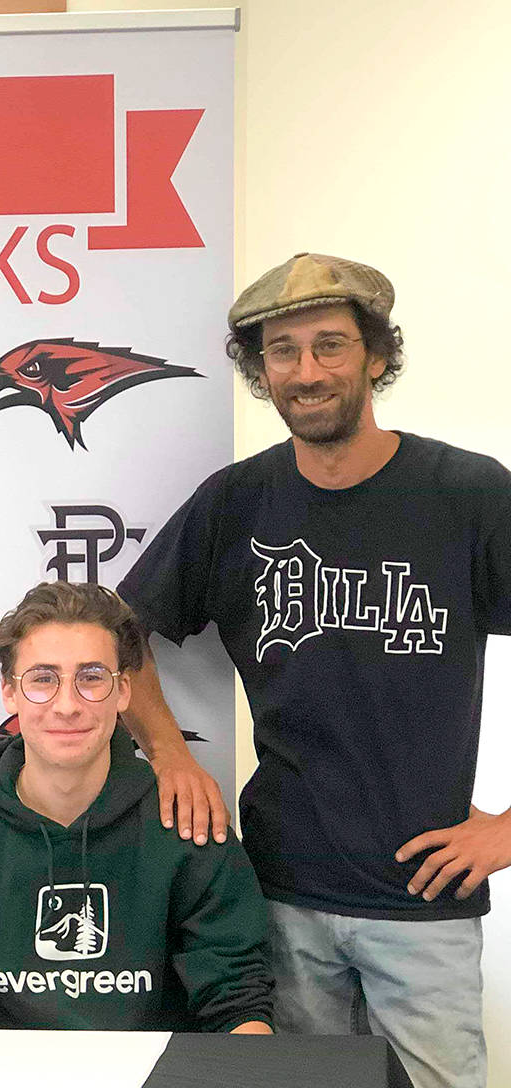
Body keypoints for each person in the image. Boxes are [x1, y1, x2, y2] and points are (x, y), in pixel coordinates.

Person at [117, 252, 511, 1088]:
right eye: (282, 351)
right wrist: (170, 754)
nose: (306, 371)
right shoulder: (236, 502)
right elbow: (120, 632)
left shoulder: (469, 494)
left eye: (330, 344)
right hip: (280, 888)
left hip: (424, 898)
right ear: (261, 371)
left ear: (376, 356)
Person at [0, 581, 273, 1032]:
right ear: (9, 693)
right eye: (42, 679)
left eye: (91, 678)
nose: (67, 705)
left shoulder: (187, 824)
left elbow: (239, 1004)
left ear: (123, 692)